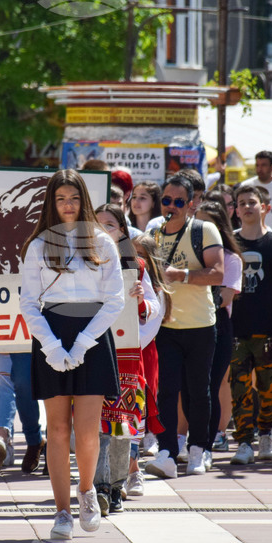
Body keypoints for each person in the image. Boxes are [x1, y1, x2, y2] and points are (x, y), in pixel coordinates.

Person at [19, 169, 125, 540]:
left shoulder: (102, 242)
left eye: (75, 198)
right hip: (52, 334)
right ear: (51, 201)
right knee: (58, 429)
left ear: (84, 201)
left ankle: (86, 493)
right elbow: (29, 303)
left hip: (92, 335)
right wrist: (51, 345)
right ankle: (61, 510)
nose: (68, 205)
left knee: (86, 430)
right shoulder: (37, 247)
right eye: (61, 198)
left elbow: (115, 300)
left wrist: (82, 342)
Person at [145, 175, 224, 479]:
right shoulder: (153, 232)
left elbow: (217, 273)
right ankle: (166, 450)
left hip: (200, 324)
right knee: (165, 390)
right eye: (167, 200)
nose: (172, 206)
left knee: (198, 391)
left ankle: (199, 449)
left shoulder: (204, 229)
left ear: (191, 204)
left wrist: (182, 275)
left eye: (179, 201)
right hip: (164, 325)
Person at [93, 204, 158, 514]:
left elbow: (153, 312)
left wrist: (140, 299)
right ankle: (99, 485)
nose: (105, 230)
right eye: (98, 225)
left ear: (122, 230)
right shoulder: (82, 266)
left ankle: (116, 485)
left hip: (128, 357)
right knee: (97, 426)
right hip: (93, 353)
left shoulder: (138, 267)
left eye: (111, 224)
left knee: (122, 426)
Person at [228, 185, 272, 464]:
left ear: (264, 207)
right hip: (236, 330)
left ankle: (266, 433)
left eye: (252, 202)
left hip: (267, 329)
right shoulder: (230, 242)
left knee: (269, 388)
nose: (247, 207)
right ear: (236, 209)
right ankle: (243, 441)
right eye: (242, 203)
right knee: (239, 389)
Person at [195, 201, 243, 461]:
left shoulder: (232, 258)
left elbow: (224, 298)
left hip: (218, 324)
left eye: (207, 224)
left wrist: (190, 280)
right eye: (198, 223)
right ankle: (184, 441)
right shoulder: (189, 251)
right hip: (188, 321)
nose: (202, 229)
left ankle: (206, 446)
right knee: (186, 387)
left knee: (210, 387)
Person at [127, 233, 169, 497]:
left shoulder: (156, 290)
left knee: (137, 410)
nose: (136, 260)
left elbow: (148, 327)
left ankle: (134, 470)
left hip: (140, 353)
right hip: (112, 353)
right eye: (133, 254)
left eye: (141, 255)